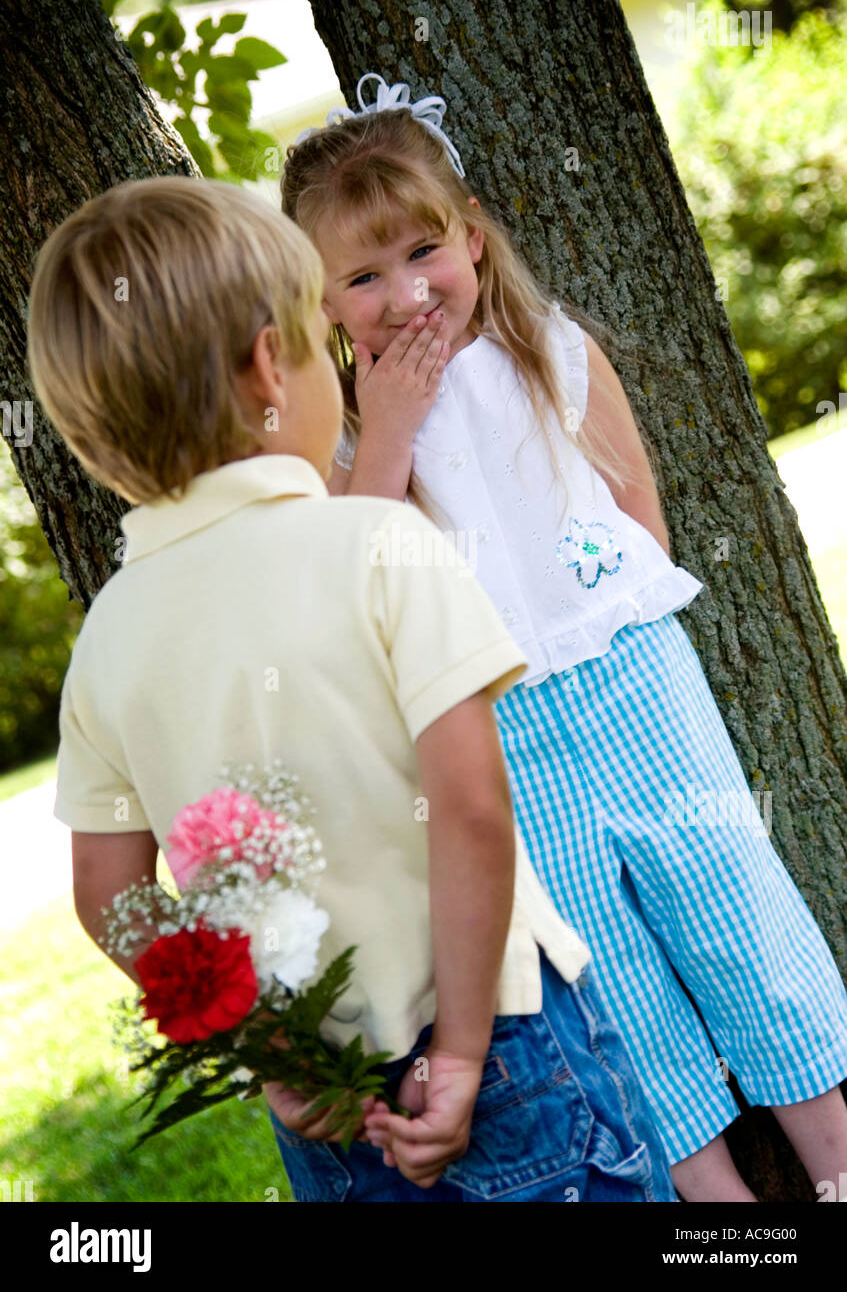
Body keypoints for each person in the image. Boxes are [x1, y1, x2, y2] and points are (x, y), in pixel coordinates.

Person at [27, 175, 676, 1204]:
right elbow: (467, 808)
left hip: (327, 1114)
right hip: (502, 1048)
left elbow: (111, 893)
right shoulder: (381, 545)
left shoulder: (109, 637)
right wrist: (459, 1057)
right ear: (267, 365)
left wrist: (277, 1061)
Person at [281, 72, 847, 1203]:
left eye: (421, 253)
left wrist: (594, 608)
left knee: (730, 903)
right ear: (324, 305)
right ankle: (720, 1210)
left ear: (473, 238)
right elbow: (366, 585)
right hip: (497, 730)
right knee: (609, 971)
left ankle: (832, 1160)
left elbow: (636, 514)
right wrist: (386, 433)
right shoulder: (344, 442)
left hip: (636, 681)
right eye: (362, 276)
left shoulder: (550, 348)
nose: (403, 293)